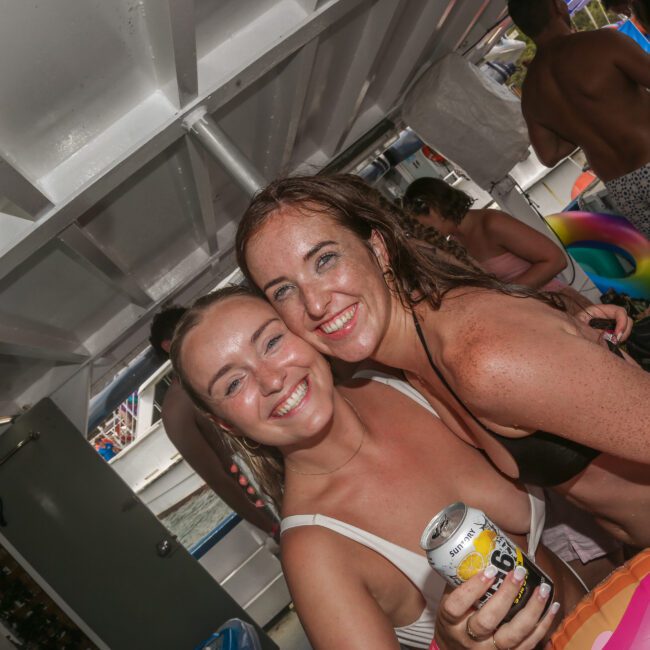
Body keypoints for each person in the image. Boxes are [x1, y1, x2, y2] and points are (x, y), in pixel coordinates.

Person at [235, 174, 650, 548]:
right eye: (284, 290)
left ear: (378, 249)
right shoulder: (414, 360)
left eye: (325, 260)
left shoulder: (481, 356)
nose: (315, 303)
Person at [170, 287, 582, 650]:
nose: (271, 379)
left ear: (301, 330)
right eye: (233, 384)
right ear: (227, 424)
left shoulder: (395, 378)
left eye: (272, 341)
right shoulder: (315, 551)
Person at [508, 0, 650, 237]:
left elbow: (548, 155)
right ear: (556, 7)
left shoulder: (531, 90)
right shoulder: (602, 43)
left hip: (621, 187)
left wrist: (579, 122)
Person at [149, 307, 278, 538]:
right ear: (169, 346)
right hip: (271, 499)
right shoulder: (177, 409)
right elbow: (218, 478)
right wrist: (271, 527)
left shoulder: (233, 364)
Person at [401, 177, 592, 310]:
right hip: (533, 314)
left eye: (418, 223)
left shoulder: (492, 222)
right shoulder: (455, 244)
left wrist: (506, 295)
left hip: (561, 306)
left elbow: (555, 260)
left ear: (432, 208)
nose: (420, 231)